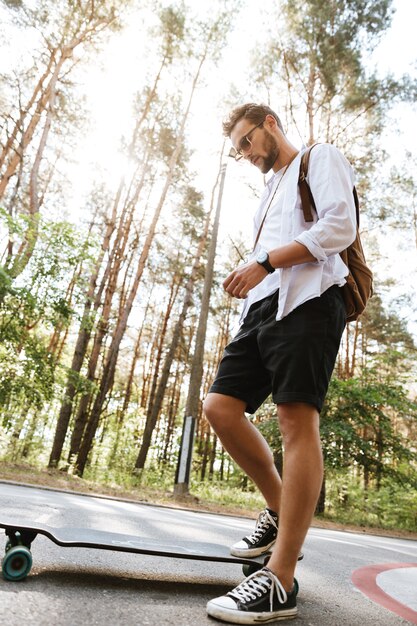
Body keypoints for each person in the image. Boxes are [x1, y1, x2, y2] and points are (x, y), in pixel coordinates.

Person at [204, 103, 357, 624]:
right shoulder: (268, 192)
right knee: (220, 408)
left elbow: (340, 228)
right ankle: (277, 510)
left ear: (270, 123)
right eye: (238, 149)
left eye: (247, 142)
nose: (245, 154)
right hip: (262, 308)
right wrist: (254, 278)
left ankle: (281, 579)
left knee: (296, 420)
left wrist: (266, 262)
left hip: (310, 299)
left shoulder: (321, 157)